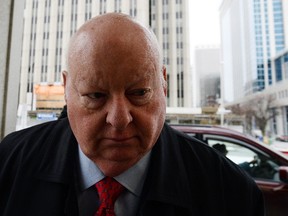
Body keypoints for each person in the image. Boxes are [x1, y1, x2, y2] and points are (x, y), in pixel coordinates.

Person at [0, 13, 264, 216]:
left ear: (164, 83)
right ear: (66, 89)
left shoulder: (231, 193)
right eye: (95, 96)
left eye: (139, 93)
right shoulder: (9, 162)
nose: (119, 119)